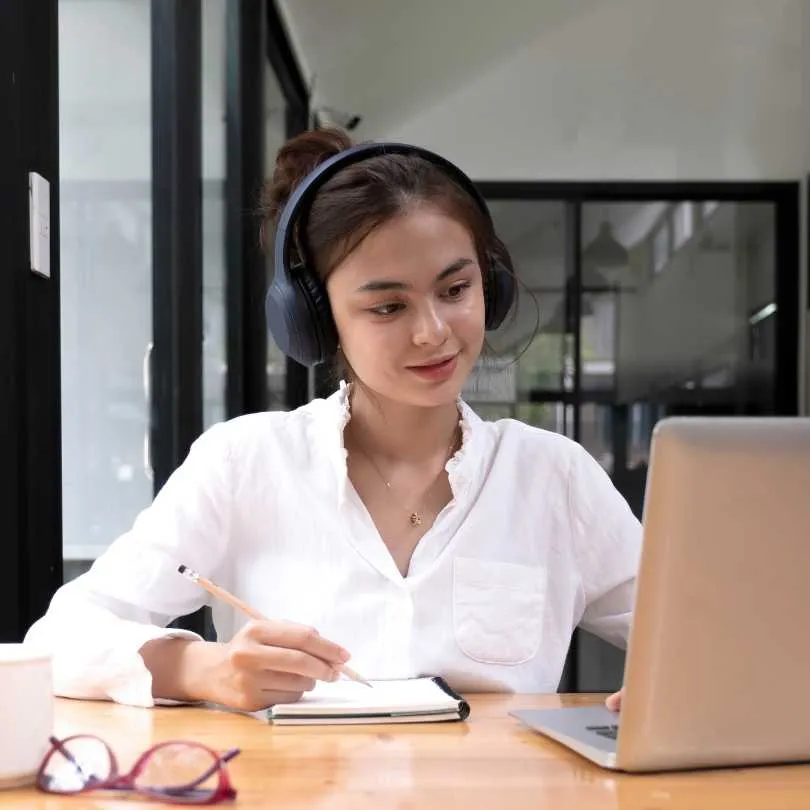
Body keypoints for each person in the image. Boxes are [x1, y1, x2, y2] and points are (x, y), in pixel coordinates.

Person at [25, 128, 639, 713]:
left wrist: (673, 690)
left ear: (491, 284)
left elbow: (711, 644)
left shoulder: (553, 477)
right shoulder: (245, 463)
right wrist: (204, 670)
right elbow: (56, 641)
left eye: (455, 290)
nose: (433, 332)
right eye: (388, 306)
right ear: (316, 320)